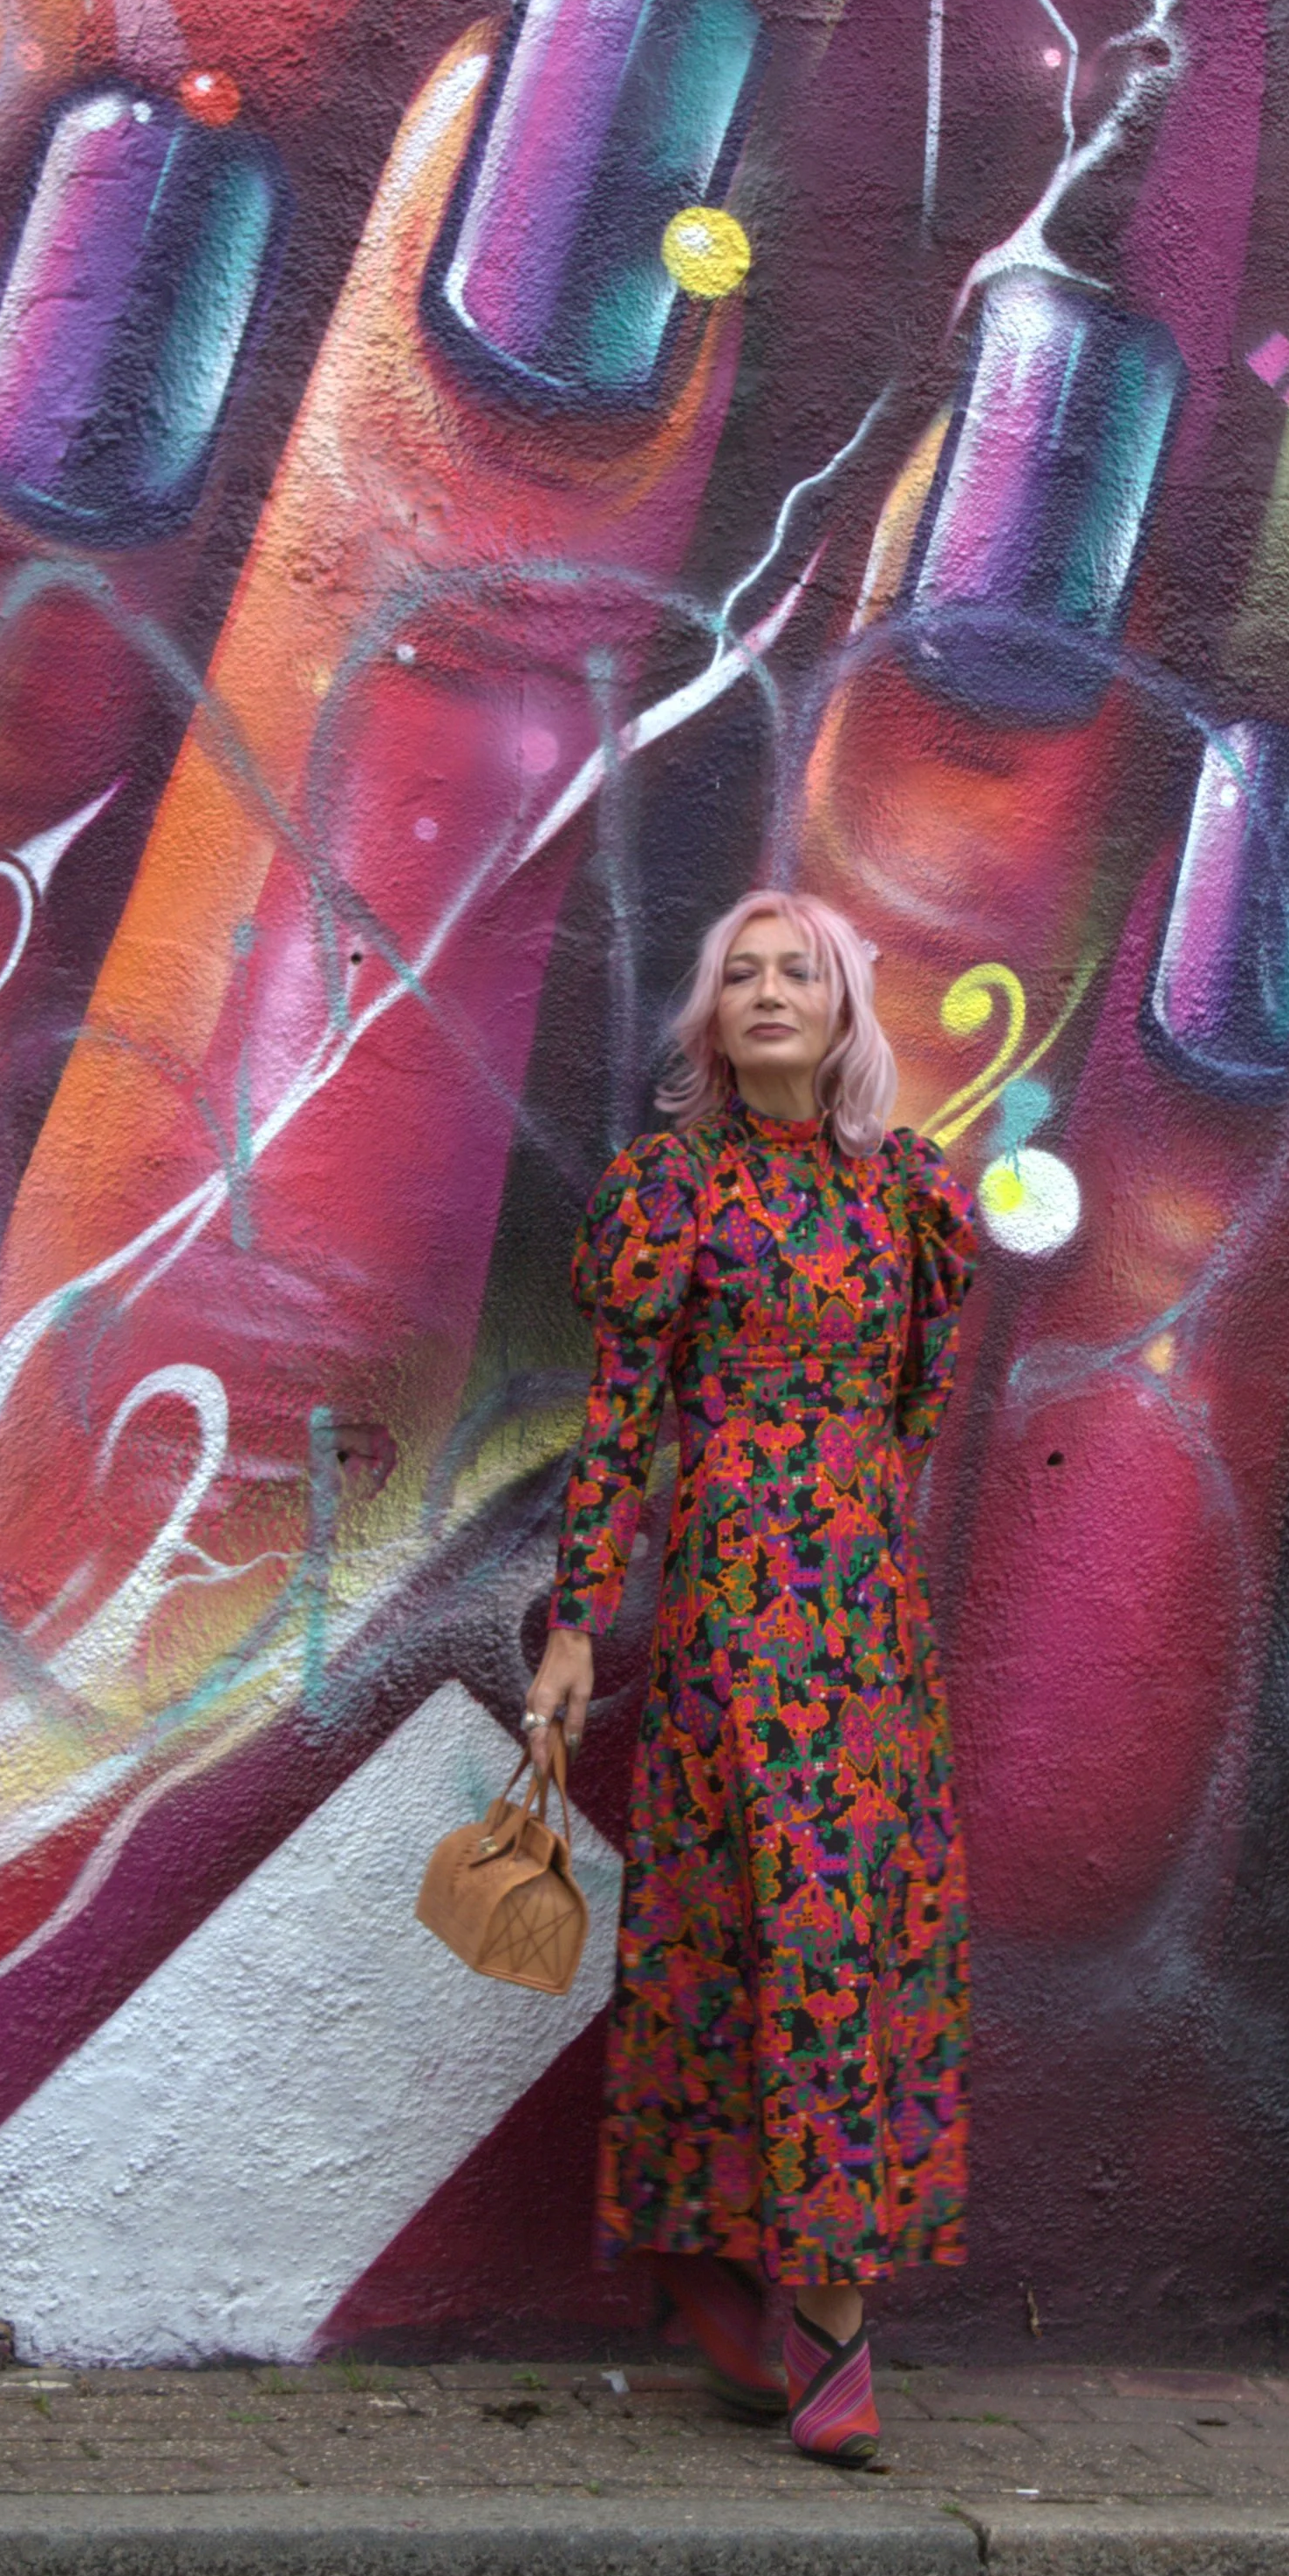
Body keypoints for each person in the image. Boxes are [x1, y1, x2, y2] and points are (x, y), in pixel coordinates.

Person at [521, 889, 979, 2466]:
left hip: (868, 1624)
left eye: (800, 972)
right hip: (729, 1616)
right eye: (741, 974)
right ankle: (786, 2297)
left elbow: (917, 1408)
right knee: (750, 1930)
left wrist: (844, 1528)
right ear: (711, 1015)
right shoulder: (671, 1190)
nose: (769, 992)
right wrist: (577, 1625)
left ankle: (762, 2276)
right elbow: (619, 1426)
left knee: (842, 1934)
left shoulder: (912, 1197)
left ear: (846, 1008)